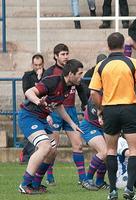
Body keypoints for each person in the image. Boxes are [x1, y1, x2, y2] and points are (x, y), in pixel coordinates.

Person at [90, 32, 136, 200]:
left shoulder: (101, 65)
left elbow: (94, 92)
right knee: (134, 150)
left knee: (110, 150)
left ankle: (112, 192)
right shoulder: (133, 63)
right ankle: (130, 190)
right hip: (129, 109)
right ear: (124, 46)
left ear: (108, 46)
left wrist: (101, 109)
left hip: (110, 110)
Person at [18, 59, 84, 194]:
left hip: (41, 119)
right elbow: (29, 92)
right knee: (45, 146)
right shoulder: (53, 81)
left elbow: (59, 106)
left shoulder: (67, 87)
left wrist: (72, 124)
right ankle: (24, 184)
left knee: (52, 151)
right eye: (80, 73)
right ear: (71, 74)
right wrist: (38, 102)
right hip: (29, 117)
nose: (81, 77)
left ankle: (35, 184)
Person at [43, 44, 89, 189]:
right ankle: (49, 176)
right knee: (52, 147)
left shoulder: (74, 71)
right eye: (62, 54)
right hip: (55, 111)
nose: (66, 56)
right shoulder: (50, 72)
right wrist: (46, 112)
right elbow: (43, 91)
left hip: (70, 111)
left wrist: (84, 104)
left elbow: (81, 89)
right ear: (56, 56)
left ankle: (83, 179)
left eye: (67, 53)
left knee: (78, 144)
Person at [20, 54, 46, 164]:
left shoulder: (48, 75)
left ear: (43, 64)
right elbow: (26, 91)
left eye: (40, 65)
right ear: (32, 64)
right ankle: (26, 158)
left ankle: (43, 159)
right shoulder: (27, 76)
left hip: (45, 109)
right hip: (31, 108)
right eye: (36, 65)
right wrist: (39, 79)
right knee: (30, 137)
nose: (38, 67)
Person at [79, 98, 108, 190]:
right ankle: (87, 180)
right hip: (90, 126)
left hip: (104, 127)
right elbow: (92, 103)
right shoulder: (98, 92)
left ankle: (100, 182)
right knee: (104, 151)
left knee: (108, 154)